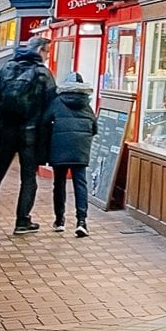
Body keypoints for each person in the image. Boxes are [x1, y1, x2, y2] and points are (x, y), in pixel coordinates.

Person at [0, 38, 57, 234]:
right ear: (40, 50)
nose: (47, 56)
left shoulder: (6, 69)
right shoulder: (43, 73)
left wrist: (2, 117)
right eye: (47, 52)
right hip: (31, 131)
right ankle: (22, 221)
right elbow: (51, 105)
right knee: (28, 177)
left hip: (6, 129)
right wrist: (39, 123)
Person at [42, 71, 97, 237]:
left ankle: (59, 220)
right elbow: (94, 128)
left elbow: (45, 121)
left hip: (60, 147)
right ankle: (82, 222)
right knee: (80, 184)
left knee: (59, 183)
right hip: (80, 148)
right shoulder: (86, 105)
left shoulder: (57, 102)